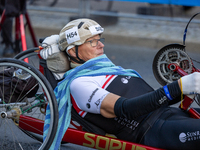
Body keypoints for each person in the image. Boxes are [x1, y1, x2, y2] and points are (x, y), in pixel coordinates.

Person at [43, 18, 200, 150]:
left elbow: (155, 102)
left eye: (99, 40)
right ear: (72, 51)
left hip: (171, 116)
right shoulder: (79, 84)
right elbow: (126, 109)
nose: (101, 45)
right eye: (92, 42)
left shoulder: (108, 69)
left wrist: (184, 90)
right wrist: (176, 88)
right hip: (154, 132)